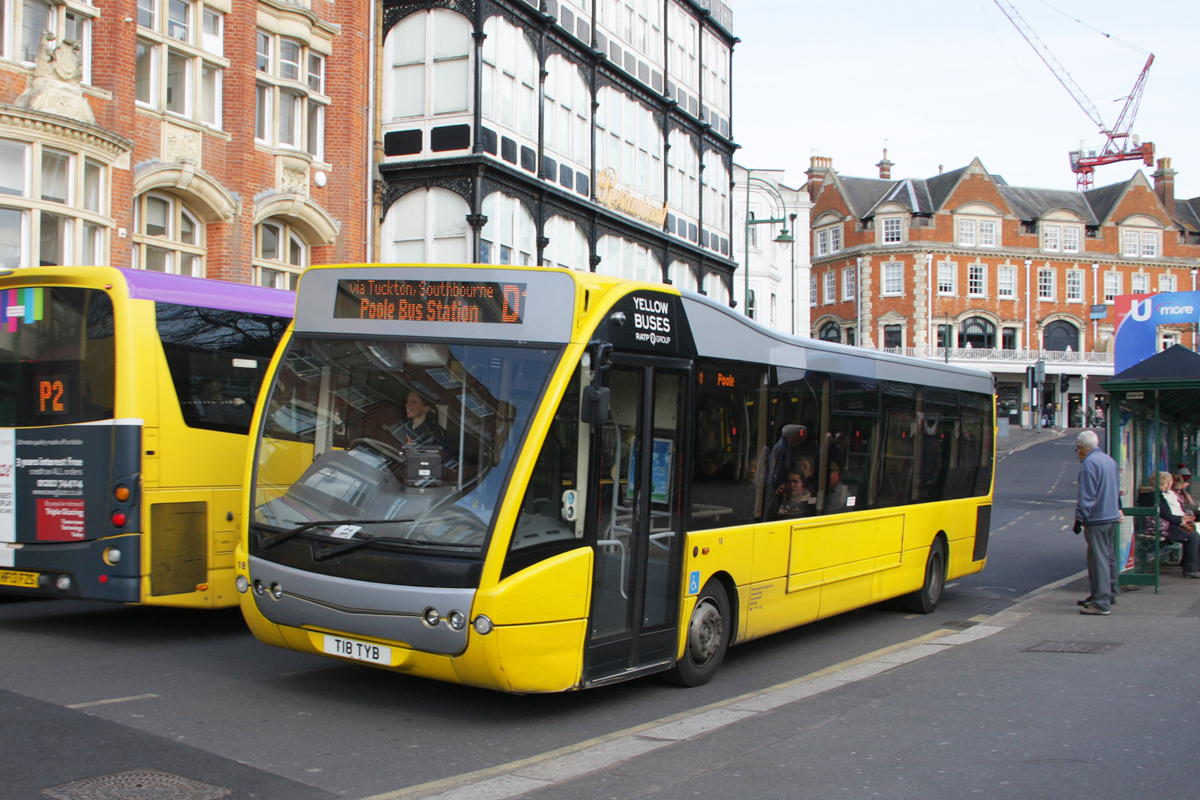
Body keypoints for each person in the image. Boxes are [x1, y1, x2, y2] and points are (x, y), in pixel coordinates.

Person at [1073, 431, 1123, 615]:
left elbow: (1087, 496)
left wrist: (1080, 518)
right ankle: (1107, 593)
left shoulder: (1089, 464)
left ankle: (1101, 603)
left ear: (1082, 447)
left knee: (1098, 559)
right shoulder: (1109, 460)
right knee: (1107, 557)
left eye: (1077, 447)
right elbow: (1117, 489)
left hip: (1097, 518)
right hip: (1111, 515)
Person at [1138, 471, 1200, 578]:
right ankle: (1191, 569)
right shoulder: (1153, 495)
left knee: (1193, 533)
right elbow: (1164, 514)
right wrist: (1180, 520)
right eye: (1168, 483)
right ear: (1162, 483)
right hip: (1161, 527)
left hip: (1163, 525)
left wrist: (1181, 519)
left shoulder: (1153, 494)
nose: (1169, 485)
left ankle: (1191, 565)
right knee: (1193, 536)